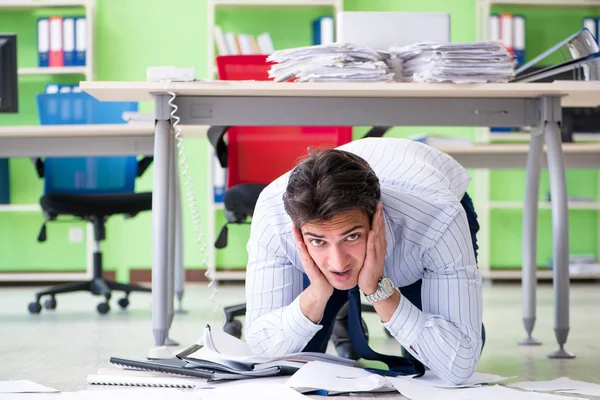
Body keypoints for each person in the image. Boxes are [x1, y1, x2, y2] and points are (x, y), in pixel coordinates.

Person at [243, 137, 484, 385]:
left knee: (427, 366)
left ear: (375, 218)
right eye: (318, 241)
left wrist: (378, 291)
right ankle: (336, 302)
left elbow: (459, 364)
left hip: (422, 216)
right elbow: (263, 353)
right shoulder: (273, 218)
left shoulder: (439, 219)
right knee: (294, 363)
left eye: (352, 236)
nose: (337, 263)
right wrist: (316, 295)